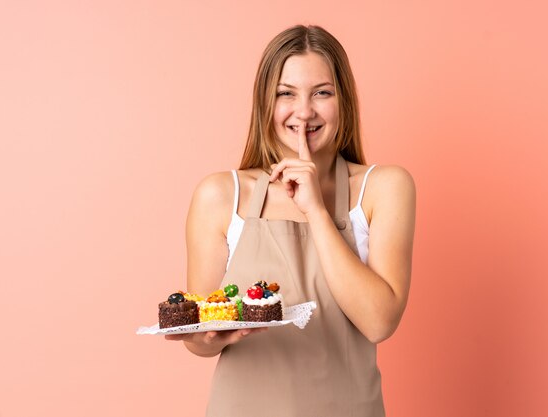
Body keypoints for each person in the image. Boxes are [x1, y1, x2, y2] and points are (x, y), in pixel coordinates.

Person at [166, 24, 415, 416]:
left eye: (322, 93)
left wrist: (315, 209)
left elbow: (379, 322)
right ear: (266, 103)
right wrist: (213, 338)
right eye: (286, 94)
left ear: (343, 101)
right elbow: (196, 338)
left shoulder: (382, 188)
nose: (304, 111)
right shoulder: (220, 196)